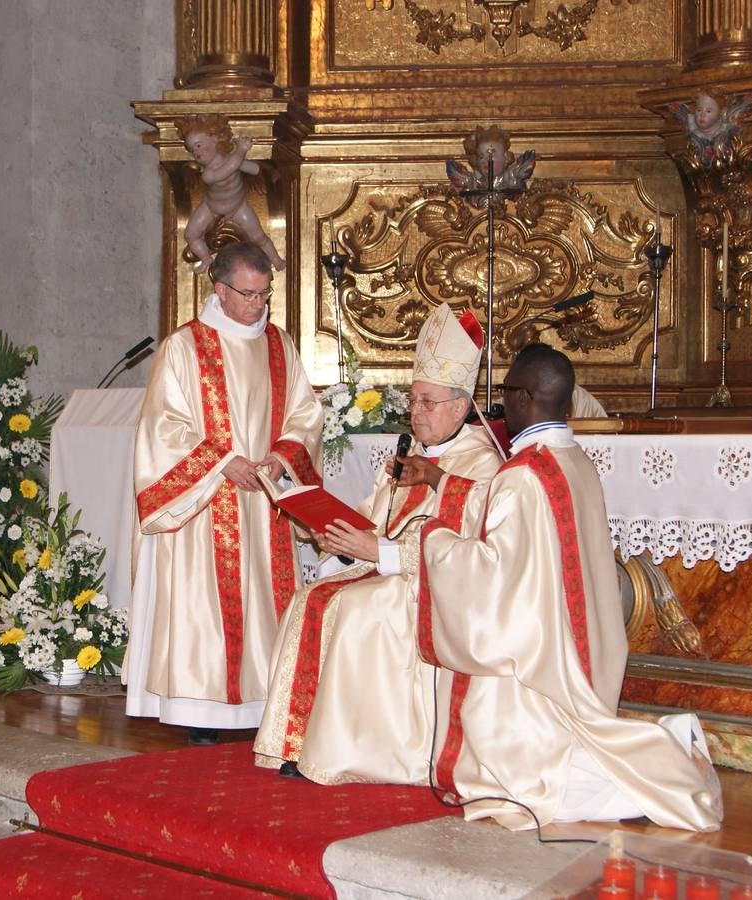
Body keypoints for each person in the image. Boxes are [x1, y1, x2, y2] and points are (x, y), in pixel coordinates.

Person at [418, 344, 723, 831]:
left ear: (525, 397)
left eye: (506, 392)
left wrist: (433, 539)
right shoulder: (572, 459)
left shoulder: (522, 476)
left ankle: (667, 759)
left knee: (519, 781)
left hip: (537, 680)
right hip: (584, 654)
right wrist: (442, 482)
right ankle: (665, 752)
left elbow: (492, 576)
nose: (501, 403)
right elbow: (506, 515)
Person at [254, 302, 503, 780]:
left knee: (357, 609)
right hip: (386, 569)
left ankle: (348, 751)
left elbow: (469, 547)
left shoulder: (481, 465)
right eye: (413, 400)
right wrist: (330, 532)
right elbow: (373, 520)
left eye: (428, 403)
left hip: (431, 589)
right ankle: (297, 744)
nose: (416, 412)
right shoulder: (407, 455)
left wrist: (383, 553)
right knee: (310, 599)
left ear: (460, 406)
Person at [126, 241, 322, 744]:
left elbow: (305, 414)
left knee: (265, 599)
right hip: (207, 502)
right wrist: (221, 463)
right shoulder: (184, 346)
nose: (258, 305)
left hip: (264, 500)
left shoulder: (279, 345)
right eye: (249, 294)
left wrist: (281, 456)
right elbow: (163, 427)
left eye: (265, 294)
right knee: (204, 607)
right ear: (220, 289)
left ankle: (265, 704)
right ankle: (200, 709)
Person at [177, 114, 287, 273]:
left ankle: (276, 260)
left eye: (198, 145)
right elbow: (228, 169)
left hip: (238, 205)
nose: (196, 152)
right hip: (211, 207)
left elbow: (253, 169)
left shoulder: (232, 160)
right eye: (192, 150)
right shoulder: (208, 174)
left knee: (258, 237)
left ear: (214, 138)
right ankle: (206, 259)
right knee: (190, 235)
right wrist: (241, 150)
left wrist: (268, 171)